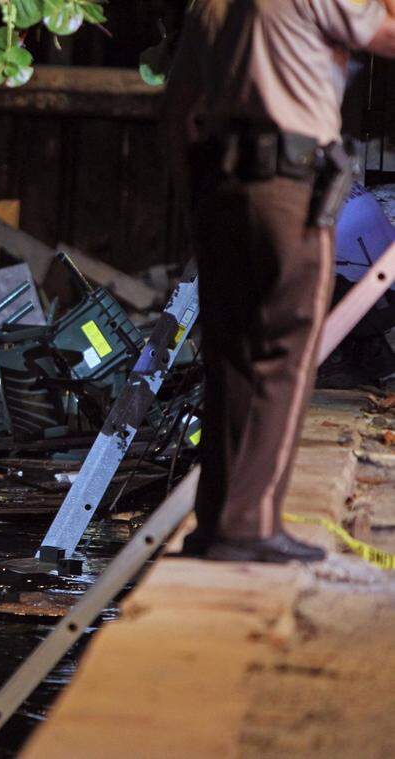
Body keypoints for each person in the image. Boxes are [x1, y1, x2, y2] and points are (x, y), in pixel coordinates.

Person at [165, 0, 395, 562]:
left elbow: (176, 110)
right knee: (285, 353)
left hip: (218, 185)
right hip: (286, 184)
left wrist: (192, 196)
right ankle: (249, 526)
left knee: (229, 355)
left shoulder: (211, 5)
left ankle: (217, 523)